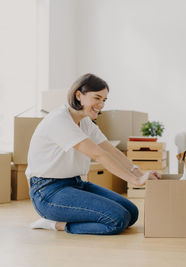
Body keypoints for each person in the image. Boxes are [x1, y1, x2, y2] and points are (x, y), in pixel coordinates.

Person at [26, 73, 161, 235]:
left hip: (75, 184)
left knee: (131, 213)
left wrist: (139, 173)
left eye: (104, 100)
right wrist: (135, 180)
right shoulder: (59, 120)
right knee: (116, 219)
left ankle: (71, 218)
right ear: (78, 95)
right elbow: (98, 154)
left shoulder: (84, 121)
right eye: (97, 98)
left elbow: (110, 150)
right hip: (47, 192)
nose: (101, 105)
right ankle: (56, 224)